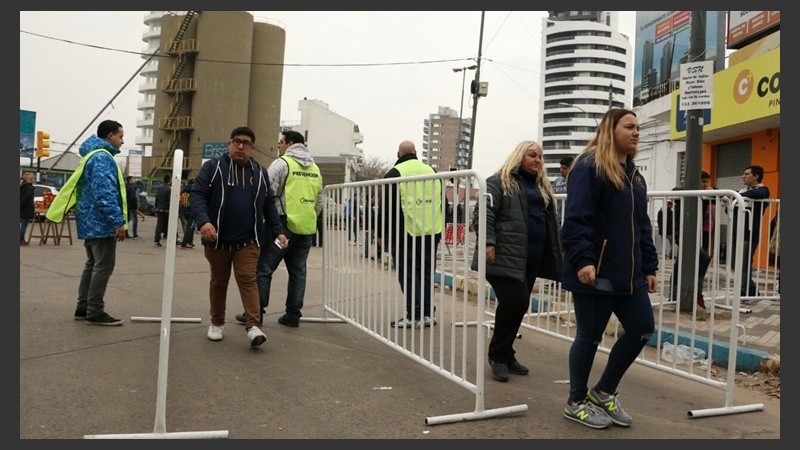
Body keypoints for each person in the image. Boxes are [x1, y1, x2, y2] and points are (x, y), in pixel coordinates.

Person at [560, 108, 658, 429]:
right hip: (596, 271)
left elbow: (642, 225)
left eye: (638, 128)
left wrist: (650, 266)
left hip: (629, 276)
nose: (636, 133)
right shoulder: (589, 167)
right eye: (629, 127)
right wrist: (583, 260)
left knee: (642, 328)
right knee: (589, 337)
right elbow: (576, 219)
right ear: (609, 130)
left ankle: (603, 391)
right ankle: (576, 401)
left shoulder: (635, 175)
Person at [469, 141, 562, 382]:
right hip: (501, 256)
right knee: (515, 301)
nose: (537, 160)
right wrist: (488, 241)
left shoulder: (542, 186)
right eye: (532, 155)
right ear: (519, 156)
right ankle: (497, 356)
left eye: (541, 156)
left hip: (529, 258)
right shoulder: (498, 181)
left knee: (518, 305)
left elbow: (550, 222)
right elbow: (484, 212)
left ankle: (506, 353)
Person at [190, 126, 284, 347]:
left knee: (248, 279)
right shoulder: (213, 168)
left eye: (246, 143)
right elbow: (197, 194)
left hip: (248, 240)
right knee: (219, 281)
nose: (240, 146)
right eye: (236, 141)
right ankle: (216, 323)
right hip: (217, 239)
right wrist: (204, 221)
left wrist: (278, 230)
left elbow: (269, 205)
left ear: (252, 148)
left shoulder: (260, 173)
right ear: (229, 144)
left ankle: (253, 327)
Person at [235, 130, 322, 328]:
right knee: (298, 272)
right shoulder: (315, 168)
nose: (279, 146)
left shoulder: (282, 163)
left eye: (281, 142)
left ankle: (256, 314)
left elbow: (265, 190)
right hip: (306, 228)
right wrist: (308, 218)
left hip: (282, 225)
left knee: (264, 269)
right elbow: (319, 200)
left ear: (290, 143)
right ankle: (293, 315)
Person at [46, 120, 128, 325]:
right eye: (120, 136)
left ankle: (83, 307)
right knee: (104, 266)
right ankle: (95, 310)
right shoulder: (103, 158)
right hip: (101, 223)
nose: (122, 141)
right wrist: (118, 222)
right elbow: (105, 194)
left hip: (90, 222)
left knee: (92, 264)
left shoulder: (91, 156)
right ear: (110, 136)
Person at [377, 140, 443, 328]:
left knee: (408, 275)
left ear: (398, 155)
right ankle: (428, 314)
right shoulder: (432, 171)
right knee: (427, 274)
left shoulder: (394, 173)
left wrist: (381, 234)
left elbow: (385, 207)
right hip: (431, 232)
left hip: (404, 232)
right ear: (416, 153)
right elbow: (442, 203)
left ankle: (413, 315)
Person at [731, 165, 770, 298]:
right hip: (737, 233)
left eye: (747, 174)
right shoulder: (742, 191)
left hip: (749, 234)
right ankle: (751, 289)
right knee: (735, 263)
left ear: (756, 176)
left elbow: (759, 194)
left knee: (744, 263)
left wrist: (738, 195)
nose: (743, 176)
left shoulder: (762, 190)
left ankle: (744, 291)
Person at [153, 174, 171, 247]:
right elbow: (169, 200)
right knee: (169, 224)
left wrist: (156, 207)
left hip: (159, 208)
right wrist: (169, 208)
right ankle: (172, 238)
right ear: (169, 180)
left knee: (159, 225)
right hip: (166, 209)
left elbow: (156, 197)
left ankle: (157, 239)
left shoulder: (160, 187)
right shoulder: (169, 189)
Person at [700, 171, 716, 253]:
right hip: (695, 227)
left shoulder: (711, 193)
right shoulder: (692, 192)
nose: (706, 184)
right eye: (703, 181)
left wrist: (713, 192)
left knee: (703, 250)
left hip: (706, 228)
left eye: (707, 181)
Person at [179, 178, 195, 249]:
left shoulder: (183, 190)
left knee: (191, 227)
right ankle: (184, 243)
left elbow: (181, 199)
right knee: (190, 227)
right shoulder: (193, 190)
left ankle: (190, 242)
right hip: (191, 211)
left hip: (184, 210)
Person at [20, 172, 36, 246]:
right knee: (24, 225)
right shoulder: (30, 188)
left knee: (22, 224)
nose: (34, 180)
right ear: (30, 179)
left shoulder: (22, 186)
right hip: (26, 208)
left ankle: (22, 239)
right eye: (33, 178)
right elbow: (26, 198)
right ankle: (21, 240)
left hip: (22, 207)